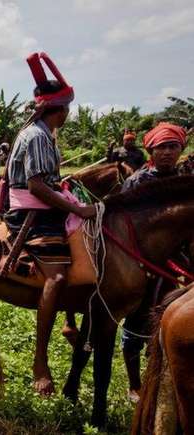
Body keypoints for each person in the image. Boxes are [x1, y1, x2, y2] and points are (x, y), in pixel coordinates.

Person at [2, 52, 96, 396]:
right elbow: (37, 186)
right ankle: (40, 361)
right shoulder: (39, 136)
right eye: (68, 110)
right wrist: (81, 211)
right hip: (32, 215)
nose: (69, 115)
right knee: (56, 277)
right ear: (62, 110)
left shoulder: (41, 132)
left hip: (44, 206)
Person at [119, 122, 187, 402]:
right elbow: (122, 224)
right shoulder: (137, 183)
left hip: (180, 264)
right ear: (151, 151)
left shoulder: (186, 181)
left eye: (173, 147)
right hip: (144, 262)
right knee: (138, 322)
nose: (168, 153)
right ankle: (135, 384)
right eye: (162, 148)